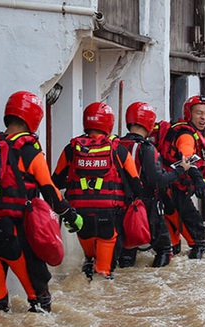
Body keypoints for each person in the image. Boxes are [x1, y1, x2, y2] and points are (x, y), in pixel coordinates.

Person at [0, 91, 82, 312]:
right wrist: (70, 215)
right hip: (17, 236)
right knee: (40, 302)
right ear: (35, 118)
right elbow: (50, 190)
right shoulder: (28, 151)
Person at [52, 101, 142, 280]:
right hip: (108, 215)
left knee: (89, 262)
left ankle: (86, 275)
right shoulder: (118, 150)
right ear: (109, 123)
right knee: (104, 272)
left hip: (78, 216)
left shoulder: (71, 149)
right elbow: (136, 185)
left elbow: (55, 181)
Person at [117, 102, 193, 268]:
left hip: (118, 207)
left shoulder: (115, 145)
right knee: (165, 250)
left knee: (127, 252)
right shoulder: (147, 148)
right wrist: (180, 170)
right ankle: (155, 286)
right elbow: (157, 181)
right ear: (150, 122)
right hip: (146, 207)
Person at [156, 95, 205, 259]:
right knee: (199, 242)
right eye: (199, 113)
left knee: (170, 248)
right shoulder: (186, 135)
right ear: (189, 113)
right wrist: (198, 179)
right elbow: (187, 157)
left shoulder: (181, 130)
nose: (203, 118)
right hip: (174, 191)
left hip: (168, 190)